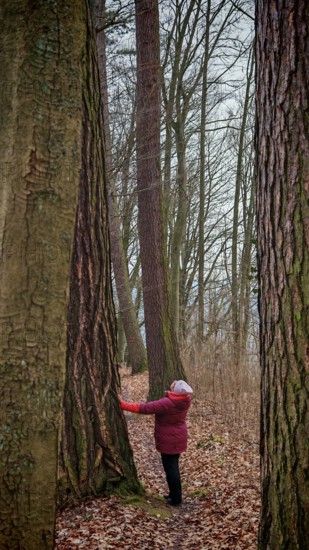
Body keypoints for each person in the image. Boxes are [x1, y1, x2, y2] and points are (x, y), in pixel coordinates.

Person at [120, 379, 193, 506]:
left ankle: (176, 498)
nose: (173, 382)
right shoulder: (185, 400)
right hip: (178, 438)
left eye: (174, 384)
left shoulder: (168, 403)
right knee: (173, 467)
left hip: (169, 440)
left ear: (175, 390)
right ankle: (175, 494)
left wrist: (122, 404)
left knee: (171, 469)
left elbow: (143, 408)